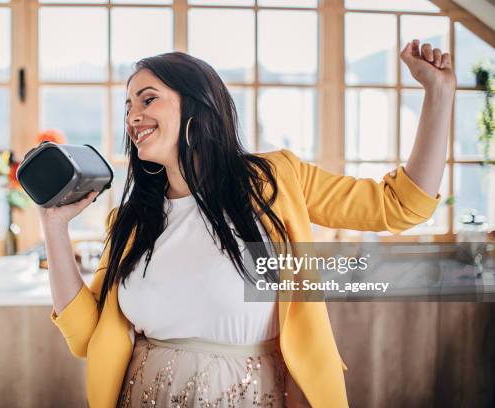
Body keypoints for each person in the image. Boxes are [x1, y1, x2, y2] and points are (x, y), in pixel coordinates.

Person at [41, 40, 456, 407]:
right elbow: (84, 337)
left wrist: (438, 95)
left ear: (196, 103)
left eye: (147, 100)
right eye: (128, 105)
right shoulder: (130, 221)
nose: (133, 116)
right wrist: (54, 227)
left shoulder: (275, 180)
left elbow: (400, 204)